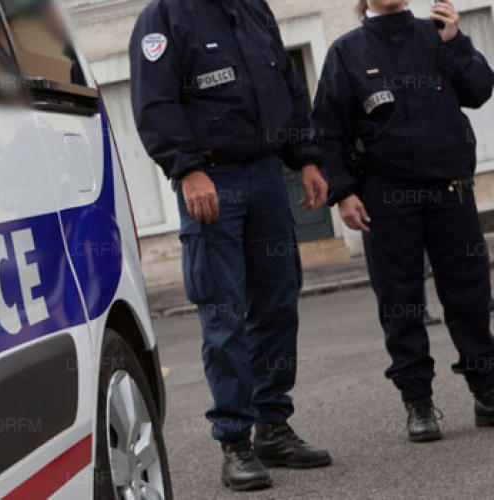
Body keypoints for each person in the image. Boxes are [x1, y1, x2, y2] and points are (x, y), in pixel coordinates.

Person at [130, 0, 332, 491]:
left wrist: (305, 158)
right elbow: (155, 104)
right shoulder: (164, 17)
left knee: (278, 304)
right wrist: (188, 168)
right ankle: (235, 443)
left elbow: (287, 87)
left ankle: (273, 427)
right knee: (224, 312)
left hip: (266, 175)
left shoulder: (253, 9)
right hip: (211, 182)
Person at [312, 0, 494, 443]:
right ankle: (418, 402)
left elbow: (479, 89)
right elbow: (327, 130)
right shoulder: (346, 51)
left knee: (470, 296)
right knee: (400, 303)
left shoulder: (437, 35)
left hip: (450, 190)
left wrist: (457, 42)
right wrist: (344, 192)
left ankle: (486, 390)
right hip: (385, 199)